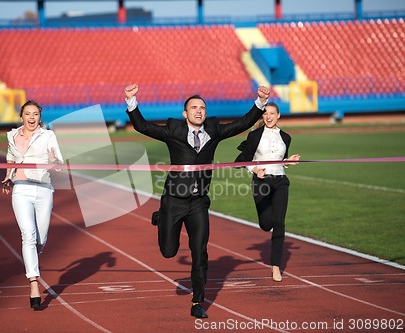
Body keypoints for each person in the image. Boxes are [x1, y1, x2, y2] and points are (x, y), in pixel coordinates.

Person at [124, 83, 270, 318]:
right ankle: (161, 218)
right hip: (174, 200)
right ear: (185, 114)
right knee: (169, 251)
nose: (199, 111)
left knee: (199, 252)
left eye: (202, 107)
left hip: (199, 202)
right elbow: (142, 126)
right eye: (194, 108)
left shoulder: (213, 129)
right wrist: (131, 101)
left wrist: (260, 103)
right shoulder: (173, 129)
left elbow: (241, 124)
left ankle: (197, 301)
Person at [1, 100, 63, 309]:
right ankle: (34, 283)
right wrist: (8, 177)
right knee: (28, 234)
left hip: (44, 189)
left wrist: (54, 161)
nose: (31, 117)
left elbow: (59, 163)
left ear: (39, 117)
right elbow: (10, 159)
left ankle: (33, 261)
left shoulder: (48, 135)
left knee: (41, 239)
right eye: (28, 114)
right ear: (21, 117)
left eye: (35, 114)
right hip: (21, 189)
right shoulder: (12, 136)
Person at [235, 102, 300, 282]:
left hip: (280, 182)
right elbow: (244, 160)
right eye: (265, 114)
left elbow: (280, 160)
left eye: (272, 113)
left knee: (279, 222)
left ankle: (276, 266)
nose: (269, 116)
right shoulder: (254, 135)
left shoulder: (286, 137)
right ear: (262, 116)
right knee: (266, 224)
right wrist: (255, 171)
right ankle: (266, 223)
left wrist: (288, 161)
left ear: (278, 115)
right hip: (261, 182)